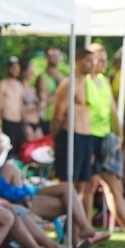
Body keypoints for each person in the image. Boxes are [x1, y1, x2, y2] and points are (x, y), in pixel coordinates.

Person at [0, 124, 109, 248]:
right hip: (16, 202)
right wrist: (24, 195)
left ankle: (81, 232)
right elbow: (0, 187)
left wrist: (26, 192)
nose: (1, 140)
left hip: (20, 197)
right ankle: (71, 242)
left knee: (67, 189)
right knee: (68, 199)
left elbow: (3, 185)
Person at [83, 44, 125, 243]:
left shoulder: (103, 81)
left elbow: (112, 109)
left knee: (112, 185)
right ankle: (88, 231)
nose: (104, 63)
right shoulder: (83, 82)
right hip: (89, 138)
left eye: (105, 59)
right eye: (100, 59)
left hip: (105, 139)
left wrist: (119, 135)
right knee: (90, 186)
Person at [51, 49, 94, 193]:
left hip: (86, 137)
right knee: (68, 184)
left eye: (92, 61)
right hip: (71, 135)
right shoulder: (69, 84)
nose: (91, 64)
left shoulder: (90, 84)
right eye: (88, 60)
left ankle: (76, 215)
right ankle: (64, 215)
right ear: (78, 61)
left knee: (82, 184)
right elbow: (57, 115)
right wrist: (56, 141)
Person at [0, 57, 27, 158]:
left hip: (18, 122)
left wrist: (25, 124)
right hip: (7, 122)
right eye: (12, 67)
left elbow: (21, 105)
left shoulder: (19, 85)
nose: (15, 70)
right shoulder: (2, 85)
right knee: (10, 151)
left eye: (17, 68)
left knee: (22, 148)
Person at [37, 46, 66, 136]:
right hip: (48, 118)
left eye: (58, 56)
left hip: (62, 117)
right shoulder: (43, 77)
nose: (56, 58)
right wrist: (60, 96)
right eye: (53, 56)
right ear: (47, 58)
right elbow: (45, 99)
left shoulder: (62, 76)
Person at [20, 62, 43, 140]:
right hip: (27, 122)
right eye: (30, 72)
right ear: (23, 72)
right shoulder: (20, 88)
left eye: (33, 72)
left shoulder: (33, 89)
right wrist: (26, 124)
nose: (32, 74)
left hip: (36, 121)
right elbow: (20, 108)